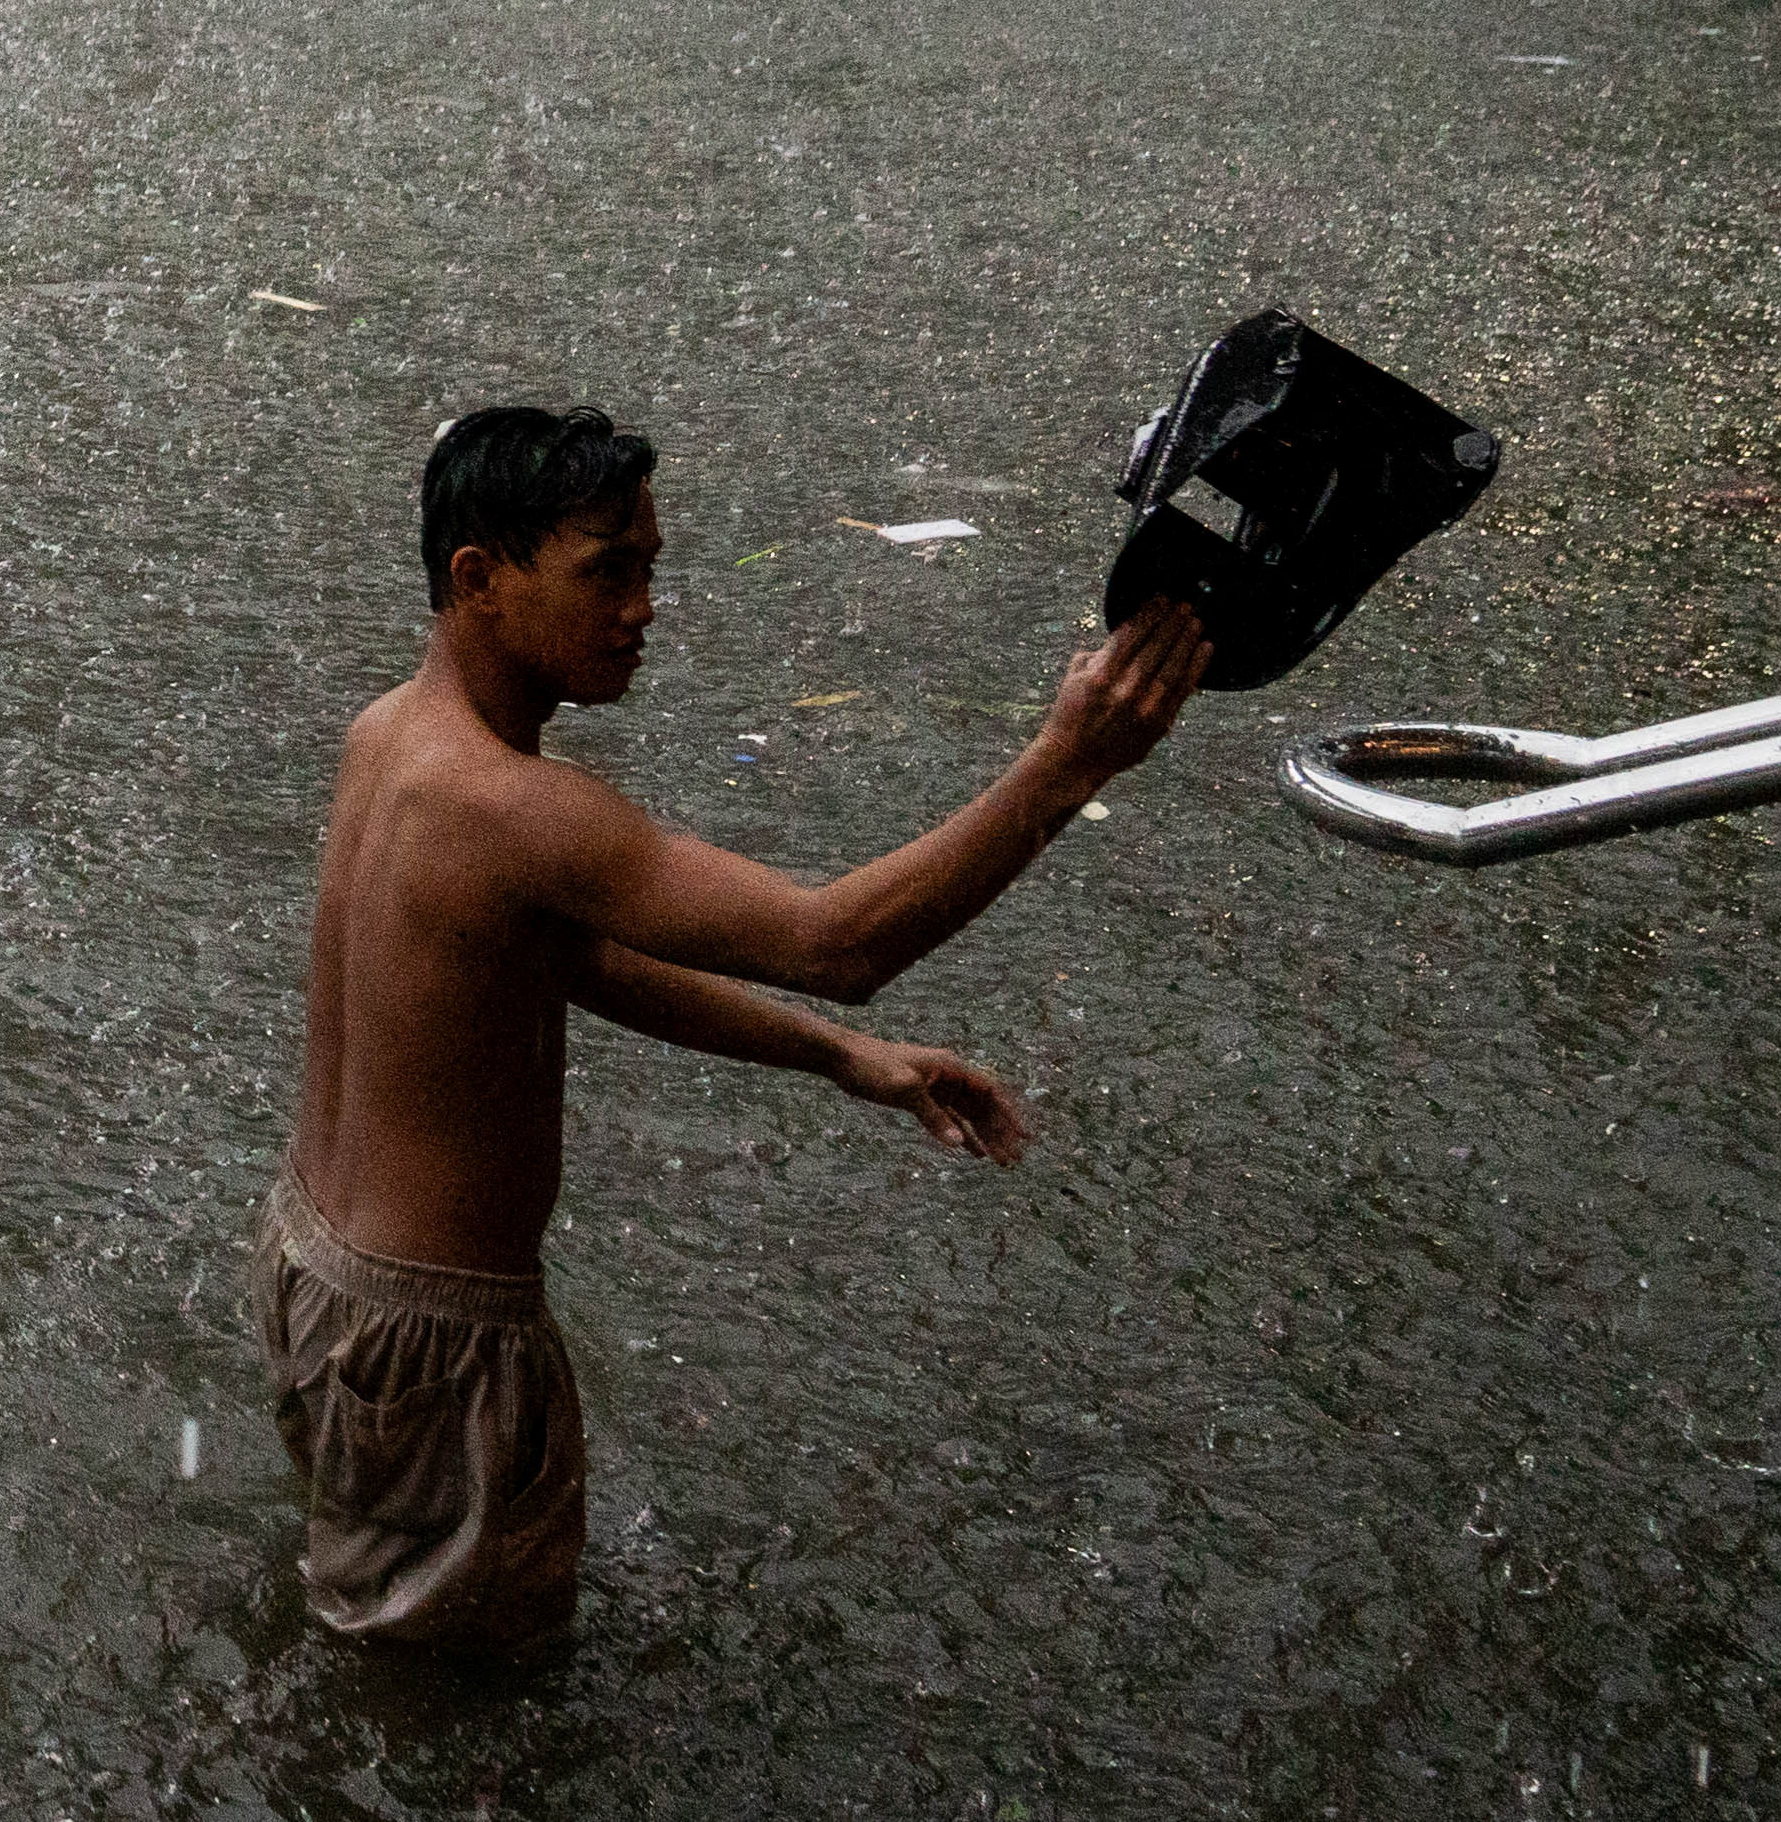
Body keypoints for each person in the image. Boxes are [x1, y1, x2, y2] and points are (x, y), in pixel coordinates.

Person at [256, 403, 1210, 1656]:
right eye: (607, 570)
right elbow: (837, 942)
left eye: (650, 567)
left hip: (313, 1266)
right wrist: (1063, 765)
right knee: (462, 1678)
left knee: (378, 1629)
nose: (643, 607)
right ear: (477, 578)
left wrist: (834, 1056)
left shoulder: (388, 739)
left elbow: (566, 959)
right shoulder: (520, 807)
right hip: (434, 1337)